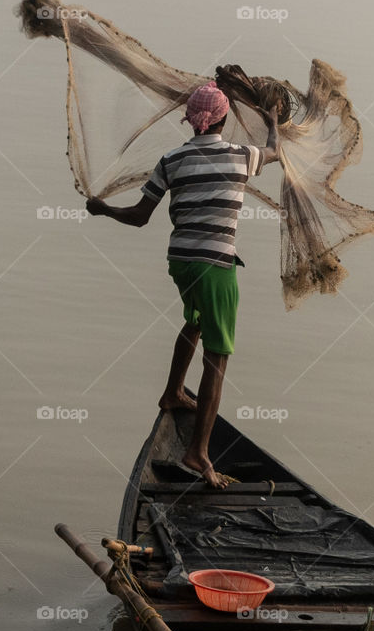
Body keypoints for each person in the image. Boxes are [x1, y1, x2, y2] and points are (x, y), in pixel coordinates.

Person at [86, 81, 280, 487]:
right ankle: (197, 453)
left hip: (181, 263)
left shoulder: (171, 159)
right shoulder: (240, 156)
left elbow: (140, 216)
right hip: (215, 265)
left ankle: (173, 391)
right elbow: (275, 152)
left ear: (191, 121)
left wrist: (104, 209)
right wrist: (274, 120)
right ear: (224, 121)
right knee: (219, 355)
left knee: (194, 320)